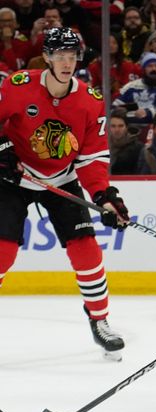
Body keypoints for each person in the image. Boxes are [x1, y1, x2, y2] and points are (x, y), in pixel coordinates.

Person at [0, 27, 130, 361]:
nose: (67, 62)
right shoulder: (17, 86)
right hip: (14, 177)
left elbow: (92, 157)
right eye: (60, 56)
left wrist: (104, 195)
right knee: (3, 252)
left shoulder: (90, 101)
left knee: (86, 249)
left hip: (61, 179)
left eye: (72, 57)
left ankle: (100, 321)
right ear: (46, 57)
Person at [113, 51, 156, 129]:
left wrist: (148, 112)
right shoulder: (131, 86)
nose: (154, 69)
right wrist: (121, 109)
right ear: (143, 69)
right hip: (129, 126)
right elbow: (115, 106)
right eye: (150, 66)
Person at [108, 109, 144, 175]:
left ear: (126, 127)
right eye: (113, 126)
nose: (117, 130)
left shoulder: (138, 148)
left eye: (120, 126)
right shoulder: (102, 146)